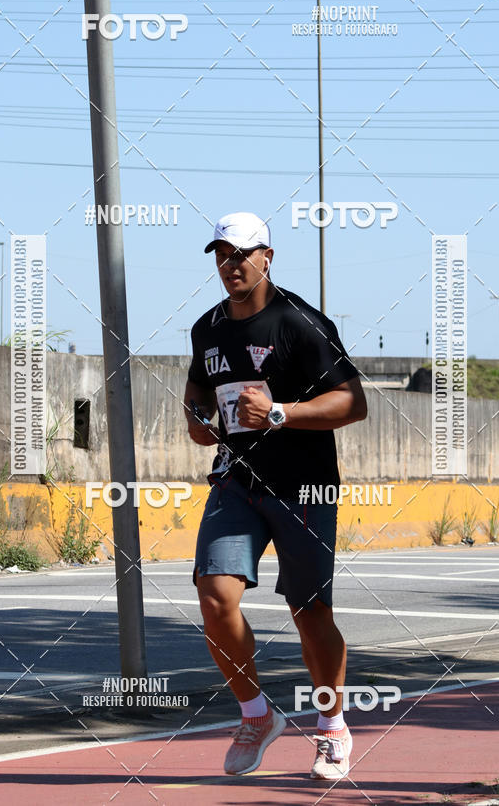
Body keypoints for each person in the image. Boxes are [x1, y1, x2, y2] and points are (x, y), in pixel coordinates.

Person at [184, 212, 367, 779]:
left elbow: (353, 403)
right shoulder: (207, 327)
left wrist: (281, 413)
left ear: (267, 256)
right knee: (216, 597)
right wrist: (200, 420)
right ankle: (256, 714)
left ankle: (332, 726)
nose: (230, 265)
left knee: (310, 612)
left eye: (241, 254)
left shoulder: (300, 323)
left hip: (302, 488)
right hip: (236, 482)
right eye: (221, 254)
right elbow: (197, 393)